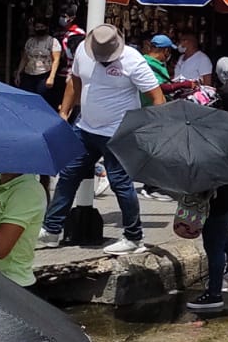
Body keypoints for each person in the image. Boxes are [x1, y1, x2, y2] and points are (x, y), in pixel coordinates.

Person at [38, 25, 163, 255]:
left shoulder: (133, 61)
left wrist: (151, 132)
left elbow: (157, 98)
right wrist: (64, 114)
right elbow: (74, 82)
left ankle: (134, 237)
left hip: (118, 132)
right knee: (67, 174)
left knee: (121, 184)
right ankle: (52, 229)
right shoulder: (82, 53)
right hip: (85, 127)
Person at [15, 19, 62, 98]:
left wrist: (51, 77)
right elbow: (24, 58)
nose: (40, 29)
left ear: (46, 27)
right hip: (29, 74)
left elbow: (56, 60)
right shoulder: (30, 41)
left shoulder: (53, 41)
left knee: (43, 97)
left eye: (42, 27)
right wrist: (19, 73)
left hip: (44, 74)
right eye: (37, 27)